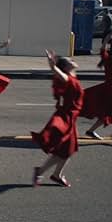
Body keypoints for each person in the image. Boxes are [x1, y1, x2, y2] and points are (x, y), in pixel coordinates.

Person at [31, 51, 83, 188]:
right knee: (65, 150)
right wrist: (52, 65)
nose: (73, 60)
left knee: (67, 150)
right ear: (65, 68)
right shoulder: (67, 78)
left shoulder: (72, 76)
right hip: (66, 118)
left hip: (71, 117)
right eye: (70, 60)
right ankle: (46, 173)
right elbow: (56, 71)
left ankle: (54, 174)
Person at [81, 34, 112, 145]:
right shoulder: (109, 61)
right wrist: (106, 41)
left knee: (106, 113)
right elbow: (103, 51)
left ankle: (90, 131)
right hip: (110, 90)